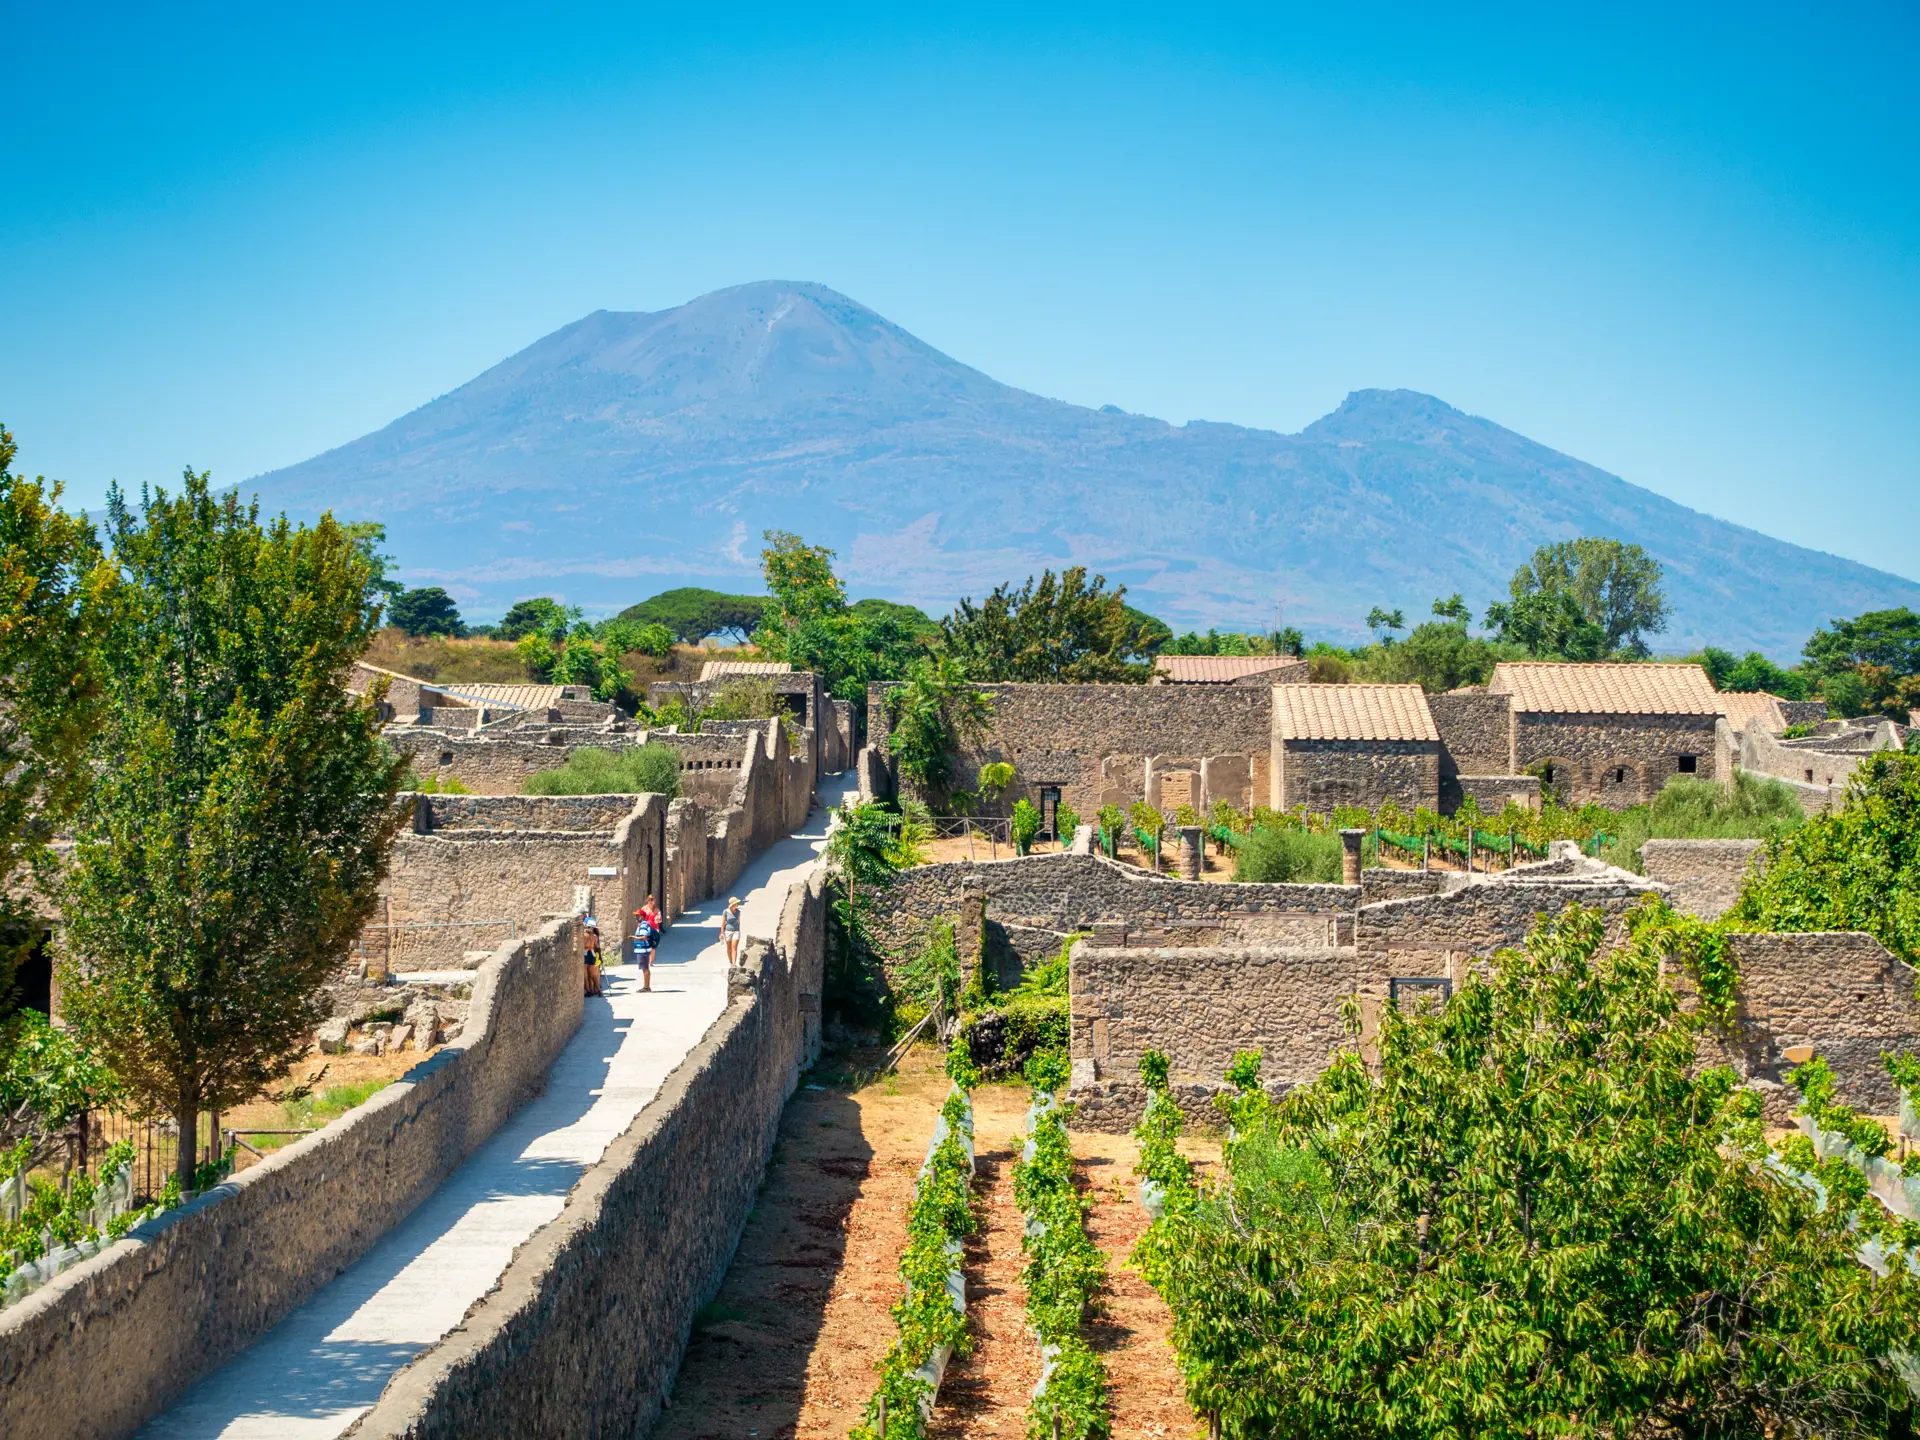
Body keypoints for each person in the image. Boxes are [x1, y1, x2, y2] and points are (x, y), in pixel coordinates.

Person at [632, 894, 663, 993]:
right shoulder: (644, 909)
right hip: (646, 932)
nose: (651, 901)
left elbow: (644, 936)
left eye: (652, 899)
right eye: (649, 899)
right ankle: (646, 986)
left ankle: (646, 987)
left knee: (645, 967)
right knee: (645, 967)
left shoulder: (656, 910)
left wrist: (635, 937)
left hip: (649, 933)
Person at [582, 918, 602, 997]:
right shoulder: (594, 936)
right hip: (592, 954)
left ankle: (588, 991)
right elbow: (597, 946)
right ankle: (599, 991)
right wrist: (599, 956)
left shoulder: (584, 935)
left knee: (585, 975)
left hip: (585, 953)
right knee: (593, 975)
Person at [721, 897, 743, 966]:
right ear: (732, 904)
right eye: (736, 903)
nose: (737, 905)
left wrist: (738, 930)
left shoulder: (738, 912)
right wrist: (722, 933)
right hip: (728, 932)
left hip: (736, 931)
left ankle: (734, 964)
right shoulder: (725, 912)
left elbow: (738, 922)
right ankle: (731, 963)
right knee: (729, 949)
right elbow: (723, 923)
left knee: (734, 947)